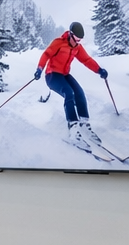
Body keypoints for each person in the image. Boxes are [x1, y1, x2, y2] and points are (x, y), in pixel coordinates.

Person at [34, 22, 109, 150]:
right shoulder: (58, 42)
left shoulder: (77, 47)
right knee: (69, 93)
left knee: (79, 92)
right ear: (70, 34)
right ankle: (73, 128)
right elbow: (46, 54)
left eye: (80, 40)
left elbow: (86, 60)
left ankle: (84, 124)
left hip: (64, 74)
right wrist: (39, 69)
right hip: (52, 75)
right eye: (76, 39)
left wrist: (99, 70)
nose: (78, 42)